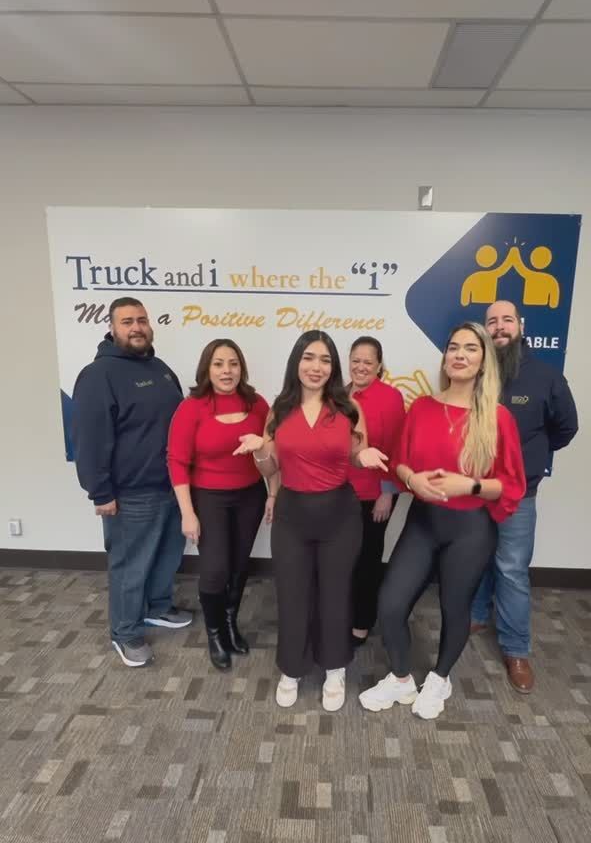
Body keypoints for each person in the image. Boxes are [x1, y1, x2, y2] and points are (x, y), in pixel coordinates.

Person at [359, 322, 525, 721]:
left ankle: (440, 677)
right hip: (424, 521)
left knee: (455, 607)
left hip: (470, 528)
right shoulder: (422, 407)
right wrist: (412, 477)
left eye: (470, 348)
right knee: (391, 603)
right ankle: (401, 679)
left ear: (484, 361)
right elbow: (399, 460)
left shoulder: (497, 418)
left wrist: (467, 484)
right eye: (453, 347)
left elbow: (509, 486)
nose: (460, 355)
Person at [236, 331, 387, 712]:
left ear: (333, 367)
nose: (316, 367)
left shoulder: (348, 407)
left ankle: (335, 669)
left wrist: (364, 455)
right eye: (308, 357)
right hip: (292, 515)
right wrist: (259, 452)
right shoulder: (280, 409)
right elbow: (271, 466)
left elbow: (355, 453)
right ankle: (292, 668)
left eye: (324, 359)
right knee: (293, 594)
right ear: (296, 362)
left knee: (335, 595)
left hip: (339, 514)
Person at [71, 298, 191, 669]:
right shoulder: (99, 374)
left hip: (170, 486)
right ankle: (125, 631)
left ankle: (157, 607)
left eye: (141, 320)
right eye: (127, 322)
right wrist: (100, 492)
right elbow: (88, 439)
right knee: (130, 565)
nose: (136, 327)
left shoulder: (160, 368)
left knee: (167, 556)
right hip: (129, 493)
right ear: (112, 328)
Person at [470, 301, 578, 693]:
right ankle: (477, 614)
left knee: (511, 569)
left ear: (521, 325)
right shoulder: (476, 372)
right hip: (475, 489)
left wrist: (530, 458)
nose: (499, 328)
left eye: (506, 320)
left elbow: (566, 428)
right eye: (492, 322)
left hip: (519, 493)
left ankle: (516, 650)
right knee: (478, 556)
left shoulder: (546, 377)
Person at [167, 340, 271, 671]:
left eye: (233, 363)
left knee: (240, 567)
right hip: (208, 498)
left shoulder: (258, 404)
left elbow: (272, 451)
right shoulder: (191, 407)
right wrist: (187, 513)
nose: (227, 370)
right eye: (218, 364)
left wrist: (273, 493)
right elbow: (177, 462)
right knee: (215, 572)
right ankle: (214, 634)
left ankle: (229, 624)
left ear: (241, 368)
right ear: (206, 369)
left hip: (249, 496)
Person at [347, 337, 405, 647]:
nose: (360, 366)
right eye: (356, 360)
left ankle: (362, 621)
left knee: (368, 558)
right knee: (343, 559)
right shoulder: (340, 395)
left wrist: (387, 492)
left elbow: (396, 447)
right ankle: (343, 612)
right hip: (340, 494)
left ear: (379, 365)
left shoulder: (390, 397)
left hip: (374, 494)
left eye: (367, 361)